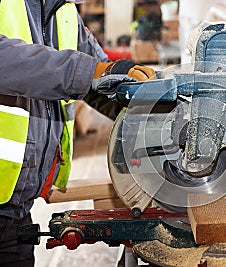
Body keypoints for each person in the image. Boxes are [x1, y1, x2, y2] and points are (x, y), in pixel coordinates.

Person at [0, 1, 155, 266]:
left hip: (15, 210)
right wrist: (89, 72)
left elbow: (101, 78)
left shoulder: (65, 12)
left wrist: (153, 116)